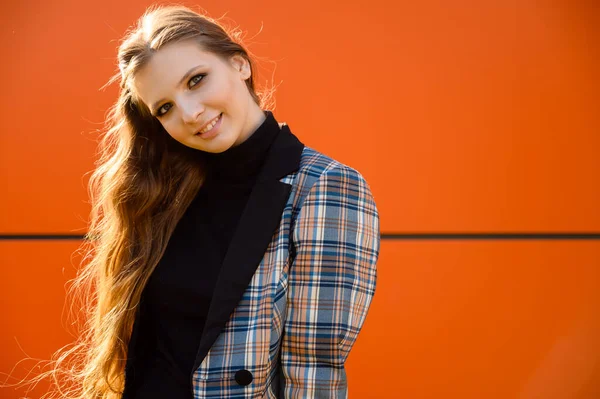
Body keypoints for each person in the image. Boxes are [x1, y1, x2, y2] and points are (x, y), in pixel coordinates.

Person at [36, 4, 380, 399]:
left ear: (239, 65)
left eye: (196, 80)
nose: (189, 113)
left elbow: (314, 373)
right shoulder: (162, 192)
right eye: (164, 108)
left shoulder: (324, 187)